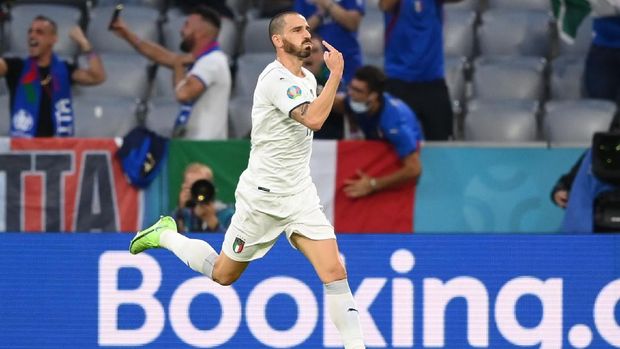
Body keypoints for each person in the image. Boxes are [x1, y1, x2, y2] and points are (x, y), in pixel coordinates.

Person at [129, 11, 366, 348]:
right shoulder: (274, 80)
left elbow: (313, 115)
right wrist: (336, 76)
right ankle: (166, 235)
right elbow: (313, 119)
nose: (307, 34)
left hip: (300, 195)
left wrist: (329, 80)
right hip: (263, 198)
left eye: (308, 29)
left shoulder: (308, 81)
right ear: (278, 40)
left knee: (334, 272)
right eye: (297, 30)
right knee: (223, 274)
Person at [110, 5, 231, 140]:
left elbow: (183, 94)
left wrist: (178, 65)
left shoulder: (212, 62)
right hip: (194, 144)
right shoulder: (201, 60)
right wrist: (127, 34)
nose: (181, 30)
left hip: (204, 147)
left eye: (186, 25)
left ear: (200, 32)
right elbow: (159, 55)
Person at [0, 15, 105, 137]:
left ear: (53, 39)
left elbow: (97, 77)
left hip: (55, 150)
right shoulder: (16, 67)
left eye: (39, 32)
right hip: (23, 150)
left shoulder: (65, 70)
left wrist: (84, 43)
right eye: (30, 31)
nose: (32, 35)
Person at [333, 65, 422, 198]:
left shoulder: (393, 123)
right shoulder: (357, 102)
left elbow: (414, 169)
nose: (350, 93)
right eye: (351, 87)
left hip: (399, 169)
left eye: (357, 90)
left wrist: (373, 184)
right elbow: (339, 103)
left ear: (373, 96)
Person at [379, 0, 461, 141]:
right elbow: (384, 5)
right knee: (395, 142)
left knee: (442, 142)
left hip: (433, 81)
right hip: (399, 81)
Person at [295, 0, 364, 84]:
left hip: (347, 58)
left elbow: (352, 23)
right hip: (315, 57)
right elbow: (297, 31)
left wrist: (326, 3)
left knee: (348, 94)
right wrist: (319, 15)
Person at [304, 33, 346, 139]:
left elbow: (343, 105)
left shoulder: (334, 78)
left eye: (314, 51)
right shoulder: (285, 79)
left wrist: (318, 90)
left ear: (324, 57)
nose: (309, 55)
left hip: (328, 144)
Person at [172, 162, 234, 233]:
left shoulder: (226, 214)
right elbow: (171, 237)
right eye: (193, 187)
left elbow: (237, 242)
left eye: (202, 186)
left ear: (211, 188)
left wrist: (214, 223)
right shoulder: (184, 213)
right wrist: (180, 209)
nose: (199, 192)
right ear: (184, 188)